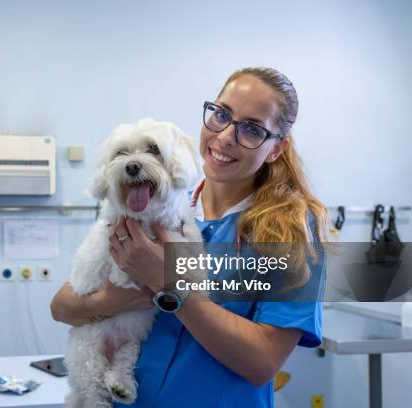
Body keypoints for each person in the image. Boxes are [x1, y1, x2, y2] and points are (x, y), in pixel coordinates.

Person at [51, 67, 331, 407]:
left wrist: (170, 282)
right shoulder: (153, 207)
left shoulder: (291, 230)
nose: (226, 136)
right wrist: (110, 301)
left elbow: (262, 363)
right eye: (221, 114)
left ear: (276, 148)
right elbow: (63, 306)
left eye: (252, 129)